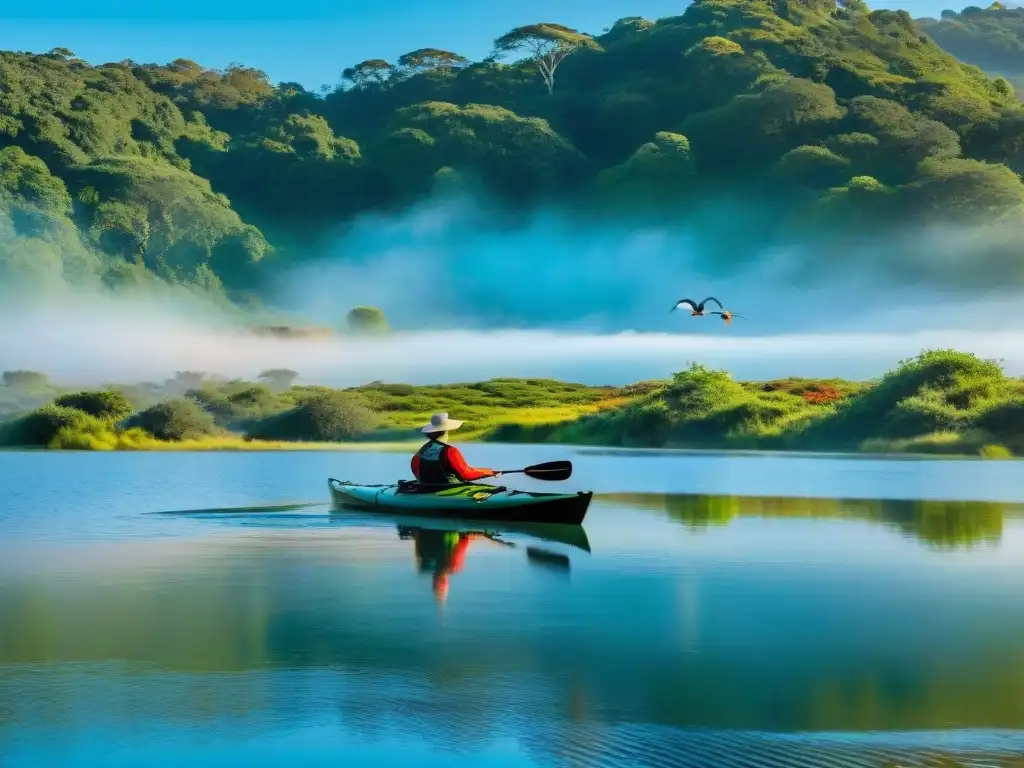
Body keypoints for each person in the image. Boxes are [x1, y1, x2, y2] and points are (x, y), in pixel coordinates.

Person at [411, 412, 500, 484]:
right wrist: (487, 473)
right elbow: (466, 474)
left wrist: (486, 470)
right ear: (446, 431)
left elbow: (414, 466)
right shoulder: (451, 451)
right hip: (448, 487)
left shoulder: (424, 449)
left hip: (427, 486)